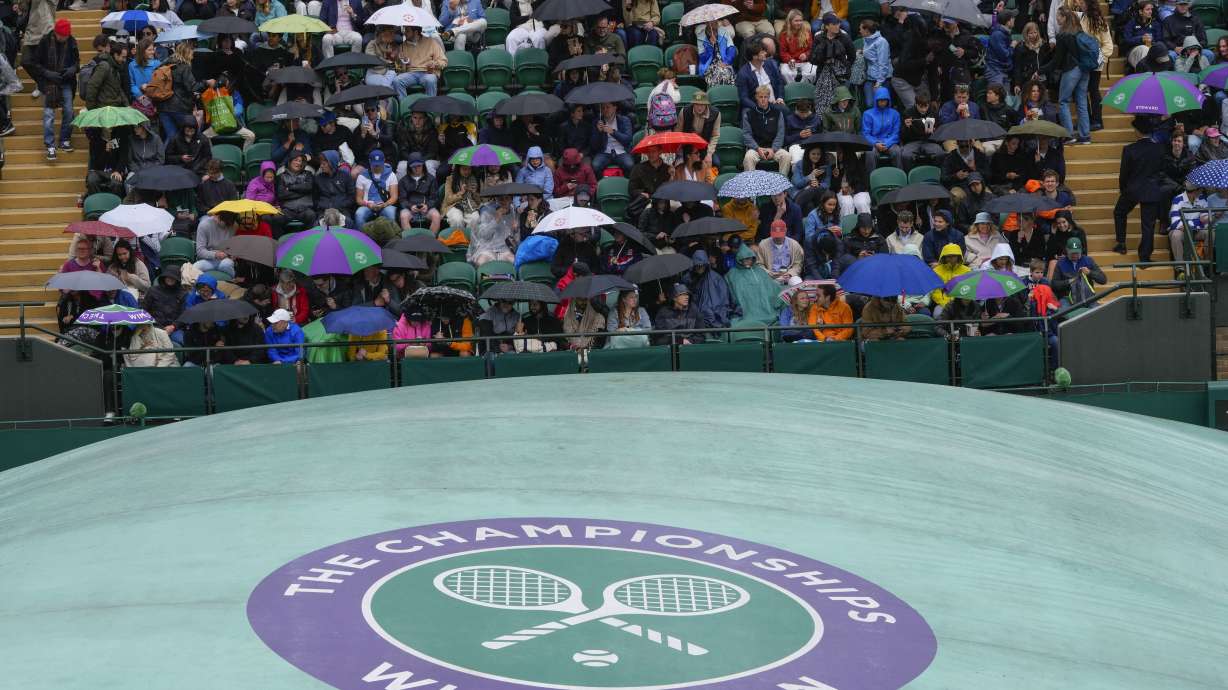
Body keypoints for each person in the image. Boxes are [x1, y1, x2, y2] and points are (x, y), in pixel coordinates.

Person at [32, 19, 78, 161]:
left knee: (69, 111)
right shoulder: (45, 41)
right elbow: (36, 64)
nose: (64, 38)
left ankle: (65, 139)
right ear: (56, 33)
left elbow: (77, 62)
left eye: (66, 36)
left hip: (66, 81)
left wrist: (72, 69)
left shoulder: (71, 41)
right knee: (48, 115)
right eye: (62, 36)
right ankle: (50, 145)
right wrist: (47, 73)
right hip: (49, 83)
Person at [1046, 7, 1092, 145]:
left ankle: (1069, 135)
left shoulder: (1063, 35)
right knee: (1081, 101)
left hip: (1071, 69)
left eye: (1058, 16)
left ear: (1064, 17)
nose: (1057, 18)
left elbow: (1057, 61)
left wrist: (1041, 70)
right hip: (1085, 69)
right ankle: (1085, 136)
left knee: (1063, 101)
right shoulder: (1079, 31)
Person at [810, 13, 854, 117]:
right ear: (827, 26)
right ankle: (823, 121)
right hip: (823, 73)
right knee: (822, 102)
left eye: (838, 23)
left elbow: (852, 56)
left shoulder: (845, 38)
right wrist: (823, 59)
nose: (837, 26)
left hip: (841, 76)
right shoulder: (819, 38)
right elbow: (812, 59)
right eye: (834, 24)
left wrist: (843, 66)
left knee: (840, 101)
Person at [724, 244, 779, 324]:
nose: (747, 261)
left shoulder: (760, 271)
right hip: (745, 310)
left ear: (753, 259)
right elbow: (731, 292)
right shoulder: (732, 274)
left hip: (765, 307)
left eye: (749, 259)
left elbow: (771, 287)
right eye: (745, 259)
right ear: (739, 259)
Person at [742, 85, 790, 174]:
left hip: (774, 148)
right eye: (761, 97)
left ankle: (782, 181)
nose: (763, 99)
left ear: (768, 97)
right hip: (756, 149)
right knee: (748, 157)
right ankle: (750, 182)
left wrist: (773, 149)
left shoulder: (777, 113)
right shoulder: (748, 114)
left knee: (786, 156)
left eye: (765, 97)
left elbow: (780, 134)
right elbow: (747, 135)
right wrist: (757, 148)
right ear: (756, 97)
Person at [1168, 181, 1210, 277]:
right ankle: (1180, 268)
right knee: (1175, 235)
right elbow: (1175, 223)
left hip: (1196, 231)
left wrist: (1189, 224)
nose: (1202, 191)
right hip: (1182, 231)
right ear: (1195, 191)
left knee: (1210, 233)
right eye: (1201, 189)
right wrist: (1197, 222)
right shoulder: (1178, 199)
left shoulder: (1202, 198)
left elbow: (1206, 220)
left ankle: (1206, 264)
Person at [1050, 237, 1106, 303]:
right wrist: (1069, 281)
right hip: (1067, 297)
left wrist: (1089, 272)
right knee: (1064, 308)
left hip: (1087, 297)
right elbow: (1054, 284)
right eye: (1072, 253)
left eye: (1077, 253)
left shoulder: (1088, 260)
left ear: (1081, 250)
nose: (1075, 255)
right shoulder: (1061, 263)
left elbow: (1103, 280)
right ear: (1067, 250)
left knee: (1097, 309)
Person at [861, 86, 902, 172]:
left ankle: (899, 176)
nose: (882, 102)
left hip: (890, 142)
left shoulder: (895, 114)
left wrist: (886, 143)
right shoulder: (867, 114)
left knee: (897, 151)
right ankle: (870, 178)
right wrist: (875, 143)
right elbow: (865, 134)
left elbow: (896, 133)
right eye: (880, 100)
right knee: (870, 153)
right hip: (874, 142)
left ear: (888, 100)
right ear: (876, 100)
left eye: (884, 100)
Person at [469, 193, 518, 266]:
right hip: (487, 248)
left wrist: (516, 230)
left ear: (511, 200)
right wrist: (496, 220)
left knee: (515, 262)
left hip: (505, 249)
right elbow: (484, 235)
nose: (504, 201)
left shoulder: (514, 214)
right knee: (481, 262)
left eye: (507, 198)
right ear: (497, 200)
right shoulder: (487, 212)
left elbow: (516, 240)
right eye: (501, 199)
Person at [900, 92, 944, 169]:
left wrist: (934, 132)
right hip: (912, 141)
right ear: (916, 104)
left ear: (929, 104)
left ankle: (936, 172)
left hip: (929, 141)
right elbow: (903, 136)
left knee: (940, 153)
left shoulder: (933, 112)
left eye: (926, 106)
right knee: (905, 155)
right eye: (921, 107)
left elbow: (940, 133)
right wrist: (906, 127)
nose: (923, 109)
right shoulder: (908, 113)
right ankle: (910, 174)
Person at [355, 149, 398, 226]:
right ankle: (361, 234)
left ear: (384, 160)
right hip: (367, 205)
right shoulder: (362, 176)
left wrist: (384, 204)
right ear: (369, 161)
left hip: (385, 205)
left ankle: (392, 233)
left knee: (391, 213)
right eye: (375, 165)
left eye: (379, 164)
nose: (377, 167)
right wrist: (368, 204)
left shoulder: (391, 175)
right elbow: (358, 199)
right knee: (359, 214)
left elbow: (394, 197)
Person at [591, 101, 634, 176]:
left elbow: (628, 139)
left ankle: (625, 182)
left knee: (629, 165)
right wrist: (599, 132)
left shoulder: (624, 120)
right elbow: (594, 146)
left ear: (615, 108)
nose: (605, 110)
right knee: (595, 165)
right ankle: (602, 182)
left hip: (621, 151)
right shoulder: (598, 122)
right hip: (605, 152)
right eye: (603, 108)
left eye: (608, 107)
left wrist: (613, 132)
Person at [755, 220, 804, 284]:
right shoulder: (763, 244)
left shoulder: (794, 244)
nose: (778, 238)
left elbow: (798, 264)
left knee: (797, 282)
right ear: (770, 232)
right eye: (776, 235)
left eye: (780, 235)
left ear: (785, 231)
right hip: (770, 276)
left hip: (789, 275)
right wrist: (768, 273)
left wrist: (790, 273)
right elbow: (759, 264)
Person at [277, 151, 317, 228]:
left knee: (312, 215)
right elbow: (282, 195)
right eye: (295, 160)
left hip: (305, 209)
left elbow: (308, 187)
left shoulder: (308, 174)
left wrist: (290, 188)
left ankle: (307, 235)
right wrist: (303, 192)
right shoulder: (282, 176)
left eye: (300, 161)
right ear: (290, 161)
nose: (298, 163)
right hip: (288, 209)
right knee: (277, 218)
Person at [859, 20, 892, 109]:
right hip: (870, 77)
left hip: (882, 79)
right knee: (870, 104)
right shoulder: (866, 39)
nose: (859, 31)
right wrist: (862, 52)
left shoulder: (881, 42)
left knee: (882, 105)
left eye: (861, 29)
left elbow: (883, 63)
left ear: (867, 30)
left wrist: (879, 83)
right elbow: (871, 54)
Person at [194, 211, 238, 276]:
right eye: (225, 223)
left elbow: (234, 245)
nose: (227, 226)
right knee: (195, 267)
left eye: (229, 224)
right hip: (208, 259)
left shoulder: (234, 225)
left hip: (226, 259)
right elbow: (200, 251)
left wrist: (234, 253)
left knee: (225, 265)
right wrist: (215, 254)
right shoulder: (204, 225)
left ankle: (232, 280)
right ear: (217, 217)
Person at [778, 9, 814, 83]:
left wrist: (806, 55)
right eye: (796, 21)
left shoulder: (807, 32)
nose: (799, 23)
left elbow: (812, 49)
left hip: (804, 62)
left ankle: (803, 86)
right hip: (790, 62)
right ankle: (792, 87)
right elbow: (782, 52)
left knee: (813, 71)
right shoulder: (784, 34)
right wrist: (789, 60)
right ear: (790, 21)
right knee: (785, 72)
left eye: (800, 20)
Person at [985, 10, 1016, 89]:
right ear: (1008, 22)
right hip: (995, 71)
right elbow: (1004, 55)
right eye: (1012, 18)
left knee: (1005, 96)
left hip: (1003, 71)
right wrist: (1012, 46)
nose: (1014, 19)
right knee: (997, 95)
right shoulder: (997, 35)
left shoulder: (1005, 33)